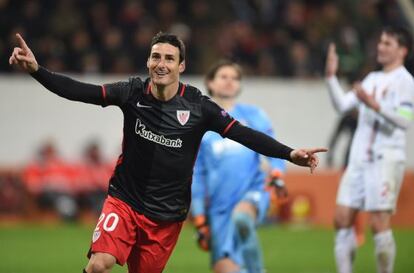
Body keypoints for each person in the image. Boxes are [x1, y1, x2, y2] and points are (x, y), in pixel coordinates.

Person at [9, 31, 326, 273]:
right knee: (99, 264)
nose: (161, 64)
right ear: (148, 61)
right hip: (124, 201)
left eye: (169, 58)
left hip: (166, 216)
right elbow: (82, 92)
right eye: (155, 57)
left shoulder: (200, 107)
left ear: (181, 65)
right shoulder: (133, 92)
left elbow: (243, 134)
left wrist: (289, 153)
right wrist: (37, 69)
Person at [325, 26, 414, 273]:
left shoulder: (406, 82)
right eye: (380, 42)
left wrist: (374, 105)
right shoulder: (372, 78)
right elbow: (343, 105)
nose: (380, 47)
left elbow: (404, 120)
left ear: (402, 50)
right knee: (341, 218)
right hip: (358, 160)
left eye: (387, 43)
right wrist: (331, 78)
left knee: (378, 223)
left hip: (385, 160)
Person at [191, 60, 287, 273]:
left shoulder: (254, 115)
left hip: (251, 192)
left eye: (235, 78)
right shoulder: (199, 125)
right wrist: (198, 217)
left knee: (242, 219)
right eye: (224, 77)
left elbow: (274, 150)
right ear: (210, 83)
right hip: (219, 208)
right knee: (225, 270)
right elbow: (197, 174)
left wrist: (278, 174)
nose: (229, 82)